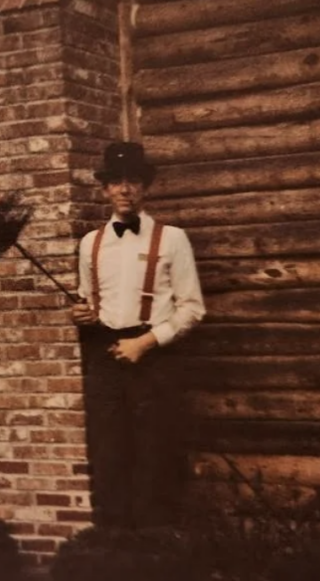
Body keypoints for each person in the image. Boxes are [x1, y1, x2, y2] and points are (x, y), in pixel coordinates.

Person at [70, 142, 205, 529]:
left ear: (145, 188)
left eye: (132, 181)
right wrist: (81, 313)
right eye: (115, 182)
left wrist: (145, 343)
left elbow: (192, 308)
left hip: (153, 357)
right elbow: (89, 303)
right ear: (105, 190)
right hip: (106, 357)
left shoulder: (172, 239)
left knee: (154, 451)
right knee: (109, 451)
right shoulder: (90, 244)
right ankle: (114, 546)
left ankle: (155, 544)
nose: (124, 189)